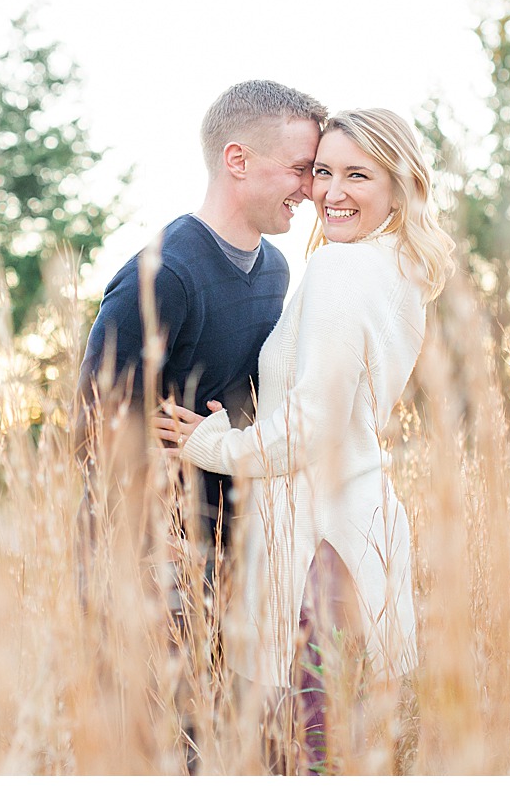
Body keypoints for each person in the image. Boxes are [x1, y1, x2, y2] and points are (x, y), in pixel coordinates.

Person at [154, 108, 453, 773]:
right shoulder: (400, 268)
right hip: (361, 523)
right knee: (339, 741)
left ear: (400, 183)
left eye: (357, 174)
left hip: (320, 543)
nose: (332, 191)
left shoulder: (340, 271)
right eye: (323, 171)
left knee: (306, 748)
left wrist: (213, 444)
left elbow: (311, 428)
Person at [74, 78, 327, 620]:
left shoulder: (276, 269)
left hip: (236, 551)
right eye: (299, 167)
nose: (311, 188)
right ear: (237, 159)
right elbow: (94, 427)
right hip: (152, 569)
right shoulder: (164, 274)